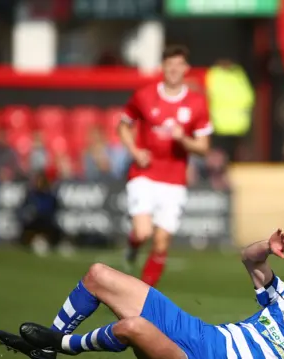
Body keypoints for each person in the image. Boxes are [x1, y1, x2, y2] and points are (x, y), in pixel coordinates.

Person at [0, 229, 284, 359]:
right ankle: (48, 348)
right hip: (198, 332)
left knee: (132, 327)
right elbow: (249, 258)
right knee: (98, 275)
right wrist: (266, 245)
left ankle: (59, 346)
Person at [117, 44, 212, 287]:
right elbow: (123, 125)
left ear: (186, 69)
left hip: (174, 179)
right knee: (142, 233)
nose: (173, 69)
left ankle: (144, 294)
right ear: (163, 67)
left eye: (178, 65)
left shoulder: (197, 103)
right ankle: (132, 246)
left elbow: (203, 147)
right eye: (169, 64)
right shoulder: (145, 96)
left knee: (161, 243)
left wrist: (184, 139)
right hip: (144, 174)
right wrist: (135, 150)